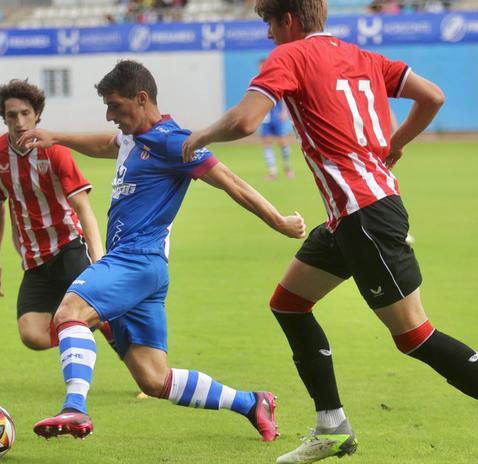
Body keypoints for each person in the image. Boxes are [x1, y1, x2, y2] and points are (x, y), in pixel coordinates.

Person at [182, 0, 478, 464]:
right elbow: (433, 96)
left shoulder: (290, 57)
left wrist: (200, 136)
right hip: (349, 217)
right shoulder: (364, 58)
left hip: (366, 216)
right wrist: (395, 144)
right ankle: (332, 426)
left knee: (414, 335)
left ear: (290, 20)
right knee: (289, 303)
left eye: (269, 24)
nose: (269, 36)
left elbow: (245, 121)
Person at [16, 60, 306, 442]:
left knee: (69, 311)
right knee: (155, 379)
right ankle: (253, 403)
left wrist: (279, 221)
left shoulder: (173, 142)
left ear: (141, 98)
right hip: (143, 270)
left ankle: (75, 407)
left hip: (136, 260)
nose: (109, 115)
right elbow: (106, 144)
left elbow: (230, 181)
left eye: (115, 106)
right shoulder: (132, 137)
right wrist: (57, 137)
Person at [0, 79, 108, 352]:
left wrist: (99, 258)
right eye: (12, 115)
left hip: (70, 245)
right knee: (32, 335)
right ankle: (83, 326)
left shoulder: (55, 150)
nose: (19, 121)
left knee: (99, 306)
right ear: (4, 118)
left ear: (37, 113)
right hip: (35, 257)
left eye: (25, 113)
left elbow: (82, 205)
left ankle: (146, 372)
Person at [257, 59, 295, 180]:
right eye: (260, 67)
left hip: (277, 115)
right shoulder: (256, 81)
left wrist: (284, 112)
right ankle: (272, 171)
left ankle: (287, 167)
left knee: (283, 142)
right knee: (267, 143)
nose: (262, 69)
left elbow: (284, 96)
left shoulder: (276, 78)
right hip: (265, 117)